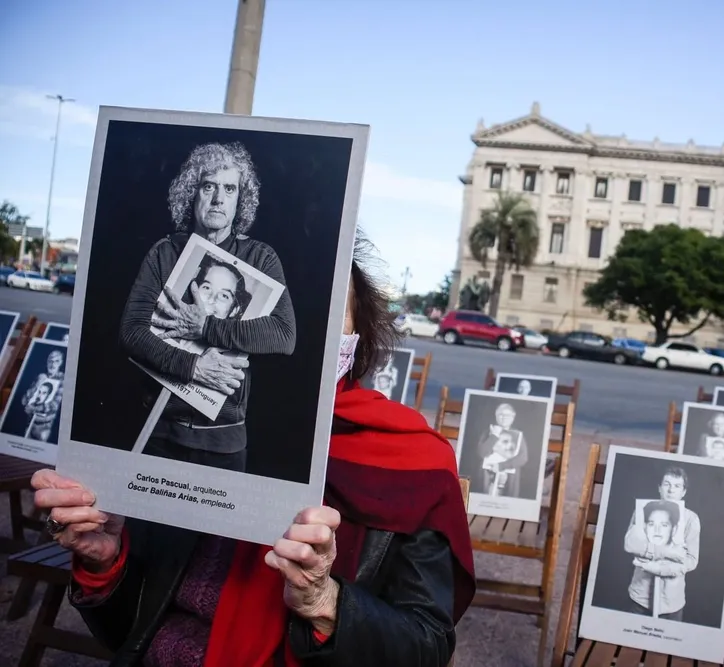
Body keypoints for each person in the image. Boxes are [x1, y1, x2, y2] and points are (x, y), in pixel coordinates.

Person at [31, 236, 476, 667]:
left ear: (359, 336)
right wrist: (105, 561)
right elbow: (126, 633)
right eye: (296, 313)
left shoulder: (414, 462)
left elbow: (427, 646)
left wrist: (325, 602)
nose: (309, 335)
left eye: (330, 314)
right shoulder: (195, 435)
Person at [120, 141, 297, 474]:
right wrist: (193, 366)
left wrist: (206, 327)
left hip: (223, 439)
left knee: (213, 529)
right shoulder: (165, 252)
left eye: (229, 189)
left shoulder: (261, 258)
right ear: (192, 193)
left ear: (240, 199)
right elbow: (131, 332)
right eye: (208, 186)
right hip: (158, 431)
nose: (218, 198)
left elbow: (284, 335)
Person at [624, 467, 701, 621]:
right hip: (640, 597)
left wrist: (659, 568)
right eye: (667, 484)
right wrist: (668, 552)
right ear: (659, 488)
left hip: (671, 602)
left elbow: (691, 560)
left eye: (677, 486)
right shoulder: (643, 511)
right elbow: (631, 544)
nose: (671, 490)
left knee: (667, 643)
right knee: (631, 642)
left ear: (683, 492)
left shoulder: (691, 519)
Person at [476, 403, 529, 497]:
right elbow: (482, 453)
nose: (504, 417)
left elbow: (523, 458)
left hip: (509, 480)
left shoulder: (518, 436)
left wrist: (501, 466)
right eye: (501, 414)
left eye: (507, 415)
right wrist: (494, 436)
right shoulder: (487, 432)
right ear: (496, 416)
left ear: (513, 417)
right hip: (488, 478)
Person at [20, 348, 65, 443]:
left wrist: (33, 409)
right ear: (47, 362)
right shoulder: (41, 376)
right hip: (30, 423)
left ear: (61, 362)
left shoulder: (63, 379)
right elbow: (24, 400)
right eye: (50, 361)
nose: (52, 364)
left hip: (45, 427)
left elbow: (54, 405)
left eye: (56, 361)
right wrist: (36, 385)